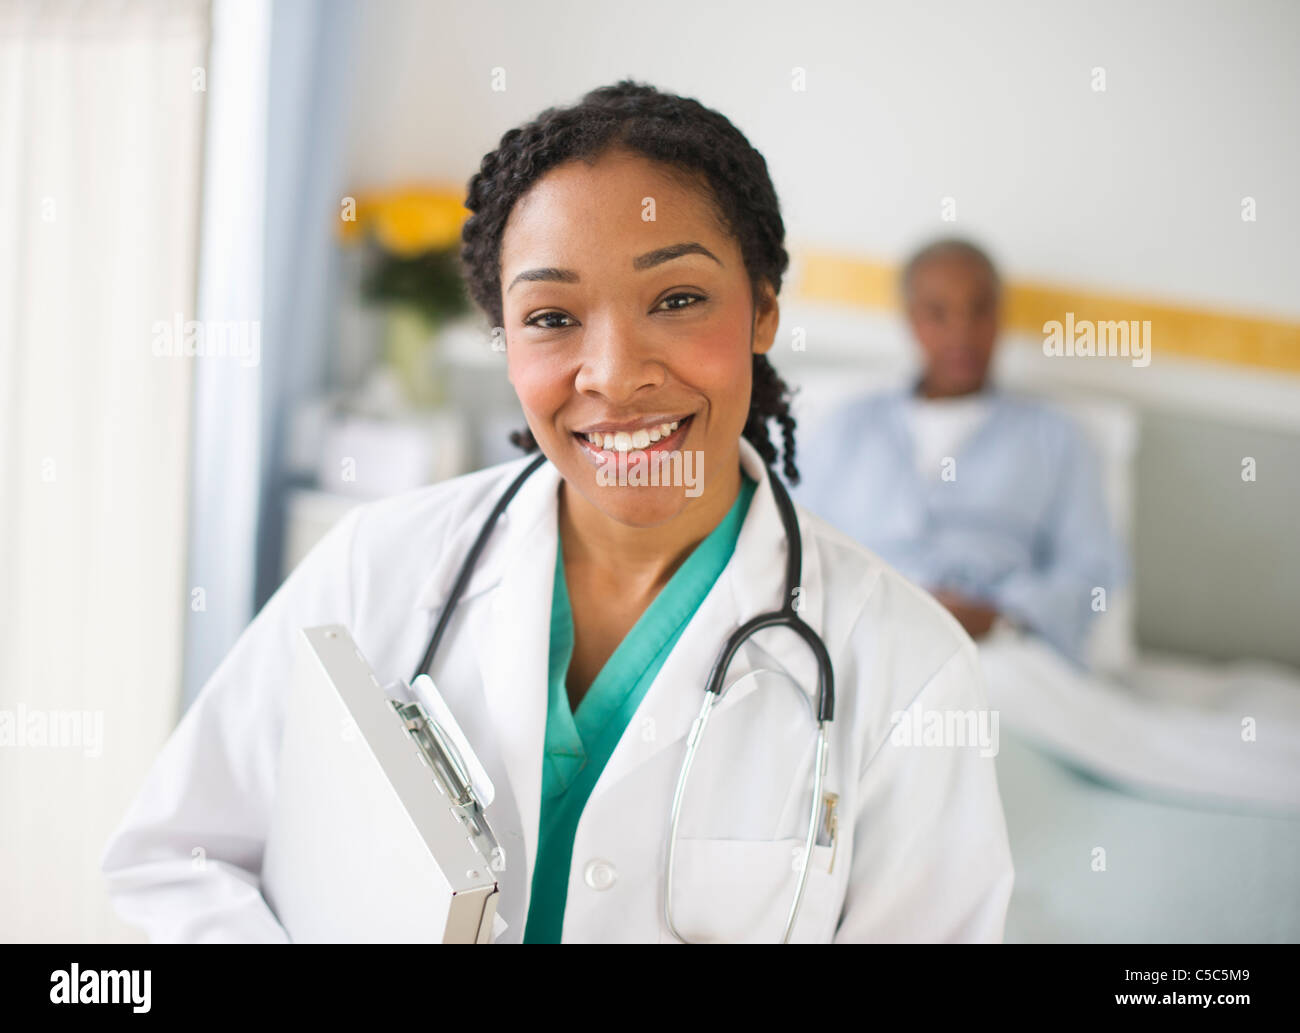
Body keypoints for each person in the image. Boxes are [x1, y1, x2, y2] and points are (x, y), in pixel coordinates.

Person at [100, 84, 1013, 943]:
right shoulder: (377, 563)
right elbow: (178, 860)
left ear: (764, 308)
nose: (614, 375)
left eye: (678, 299)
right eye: (551, 317)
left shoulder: (909, 669)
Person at [794, 238, 1126, 668]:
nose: (961, 332)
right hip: (863, 637)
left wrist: (1002, 616)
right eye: (938, 312)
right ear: (912, 320)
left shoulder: (1054, 438)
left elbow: (1093, 567)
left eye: (979, 309)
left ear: (999, 316)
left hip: (996, 653)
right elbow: (794, 541)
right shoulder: (850, 426)